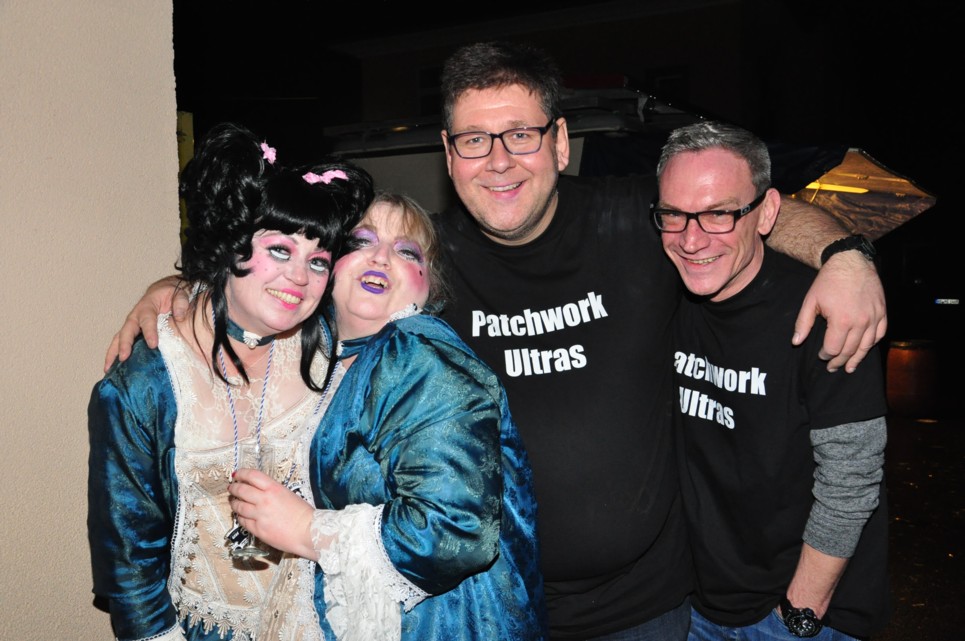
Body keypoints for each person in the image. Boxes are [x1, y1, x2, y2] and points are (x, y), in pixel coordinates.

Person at [105, 42, 887, 640]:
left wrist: (844, 253)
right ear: (449, 156)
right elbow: (294, 265)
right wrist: (184, 287)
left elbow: (743, 211)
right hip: (485, 609)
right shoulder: (421, 260)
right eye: (474, 140)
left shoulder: (637, 221)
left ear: (559, 142)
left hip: (645, 610)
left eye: (520, 134)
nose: (499, 160)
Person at [88, 122, 374, 641]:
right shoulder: (143, 384)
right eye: (280, 250)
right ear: (231, 241)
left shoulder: (331, 346)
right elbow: (129, 564)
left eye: (317, 261)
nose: (300, 278)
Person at [227, 192, 546, 641]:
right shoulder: (327, 357)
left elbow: (457, 531)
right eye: (361, 242)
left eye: (406, 251)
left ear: (430, 287)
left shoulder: (416, 353)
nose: (380, 257)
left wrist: (305, 529)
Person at [654, 120, 889, 639]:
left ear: (766, 213)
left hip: (799, 613)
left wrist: (800, 610)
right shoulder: (660, 291)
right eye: (674, 214)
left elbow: (850, 480)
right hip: (694, 602)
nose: (691, 239)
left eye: (719, 213)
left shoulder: (826, 311)